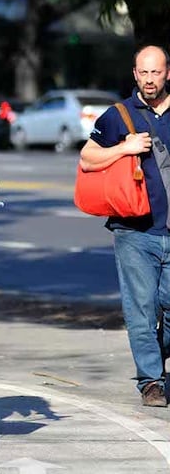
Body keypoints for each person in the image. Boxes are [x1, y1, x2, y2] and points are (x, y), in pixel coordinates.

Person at [79, 44, 170, 407]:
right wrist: (124, 148)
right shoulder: (119, 116)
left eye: (156, 72)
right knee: (141, 310)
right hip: (134, 231)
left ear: (168, 74)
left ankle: (154, 362)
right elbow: (87, 159)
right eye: (143, 73)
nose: (149, 80)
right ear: (135, 74)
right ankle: (151, 381)